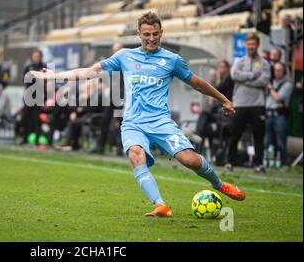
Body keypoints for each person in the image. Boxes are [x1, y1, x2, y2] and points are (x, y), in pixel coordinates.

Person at [28, 12, 245, 218]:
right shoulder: (124, 56)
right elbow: (88, 73)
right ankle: (160, 205)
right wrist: (54, 76)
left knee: (190, 160)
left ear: (161, 33)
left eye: (155, 34)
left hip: (161, 122)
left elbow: (197, 83)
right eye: (147, 34)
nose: (151, 38)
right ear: (138, 34)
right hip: (133, 123)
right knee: (135, 154)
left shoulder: (172, 60)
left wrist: (224, 99)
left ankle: (219, 185)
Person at [226, 33, 271, 173]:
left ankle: (258, 164)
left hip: (257, 104)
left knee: (258, 136)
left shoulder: (265, 63)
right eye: (248, 43)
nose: (250, 46)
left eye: (253, 44)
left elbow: (263, 81)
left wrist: (243, 78)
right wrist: (252, 76)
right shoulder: (239, 61)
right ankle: (230, 162)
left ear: (257, 45)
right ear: (246, 45)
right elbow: (234, 75)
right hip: (240, 104)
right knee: (235, 135)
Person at [89, 43, 125, 155]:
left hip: (121, 98)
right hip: (110, 98)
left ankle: (121, 147)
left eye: (118, 50)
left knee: (121, 123)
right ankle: (101, 145)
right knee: (105, 121)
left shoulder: (125, 64)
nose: (116, 52)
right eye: (115, 50)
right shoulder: (111, 63)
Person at [265, 62, 293, 166]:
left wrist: (270, 87)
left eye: (279, 70)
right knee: (267, 142)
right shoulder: (272, 82)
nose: (276, 72)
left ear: (284, 71)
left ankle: (283, 163)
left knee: (281, 142)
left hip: (279, 116)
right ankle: (267, 163)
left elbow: (277, 98)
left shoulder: (287, 84)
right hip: (268, 115)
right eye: (275, 70)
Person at [21, 49, 47, 145]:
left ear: (41, 57)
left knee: (36, 119)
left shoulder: (44, 67)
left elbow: (45, 81)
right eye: (34, 56)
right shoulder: (28, 67)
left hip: (39, 97)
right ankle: (24, 138)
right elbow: (25, 79)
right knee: (25, 118)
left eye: (38, 56)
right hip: (28, 96)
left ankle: (37, 140)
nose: (36, 58)